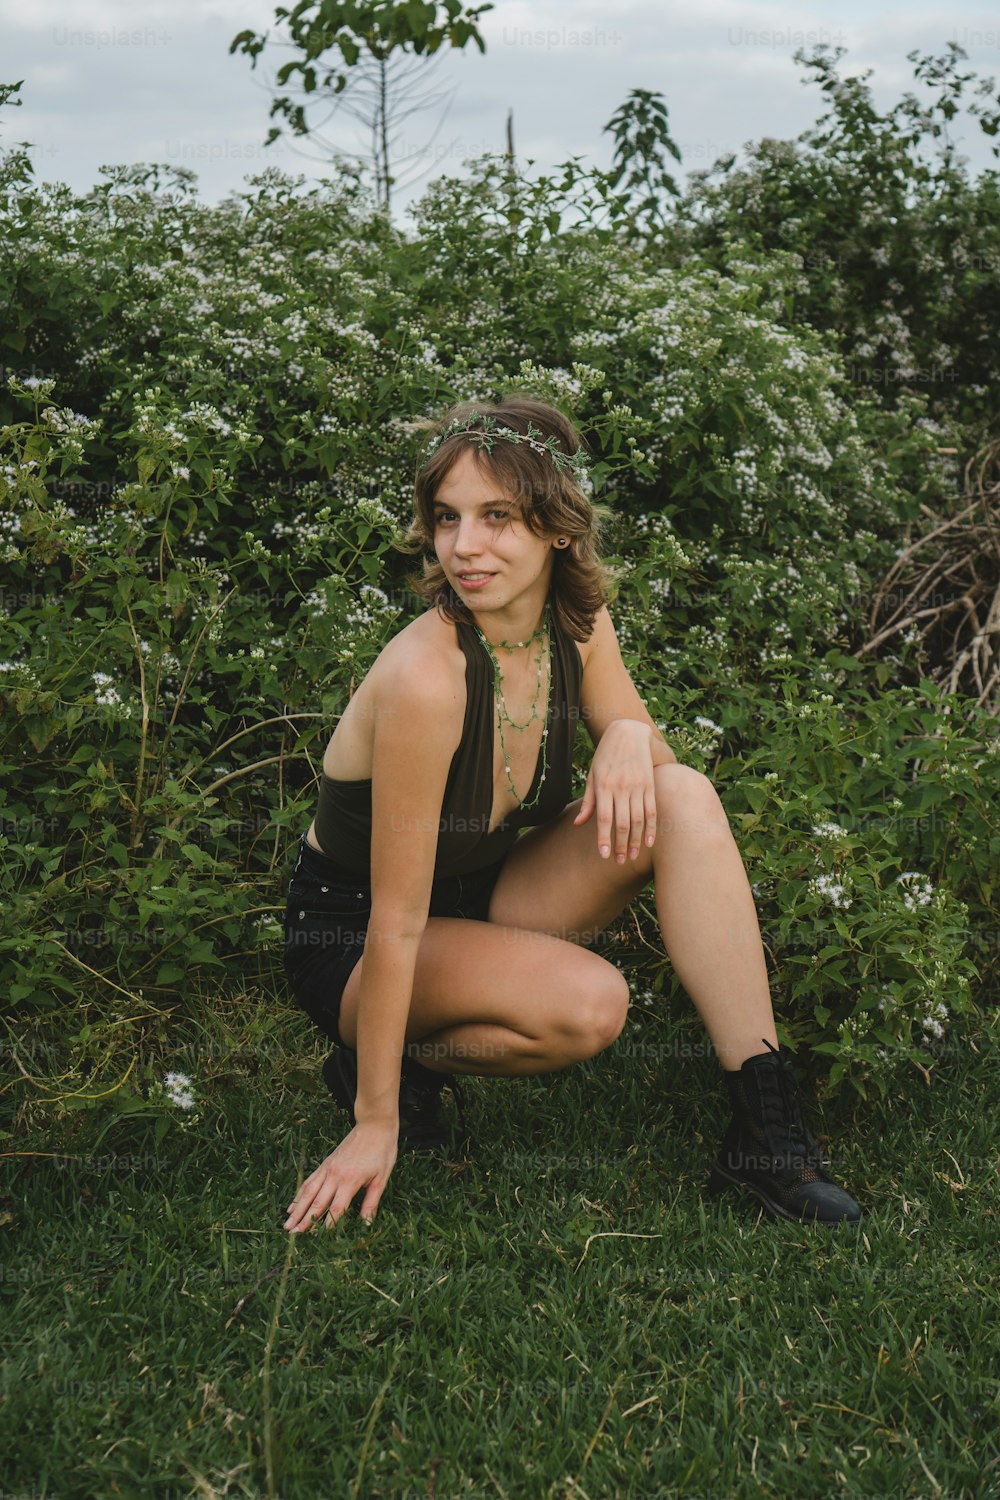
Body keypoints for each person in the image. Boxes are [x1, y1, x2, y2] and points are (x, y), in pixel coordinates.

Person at [282, 395, 862, 1234]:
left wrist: (628, 731)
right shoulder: (426, 679)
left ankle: (768, 1136)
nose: (464, 547)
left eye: (498, 517)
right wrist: (377, 1127)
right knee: (591, 1008)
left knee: (686, 793)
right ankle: (380, 1075)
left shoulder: (577, 624)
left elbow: (660, 791)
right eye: (448, 518)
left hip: (484, 894)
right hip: (357, 935)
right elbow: (398, 921)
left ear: (556, 526)